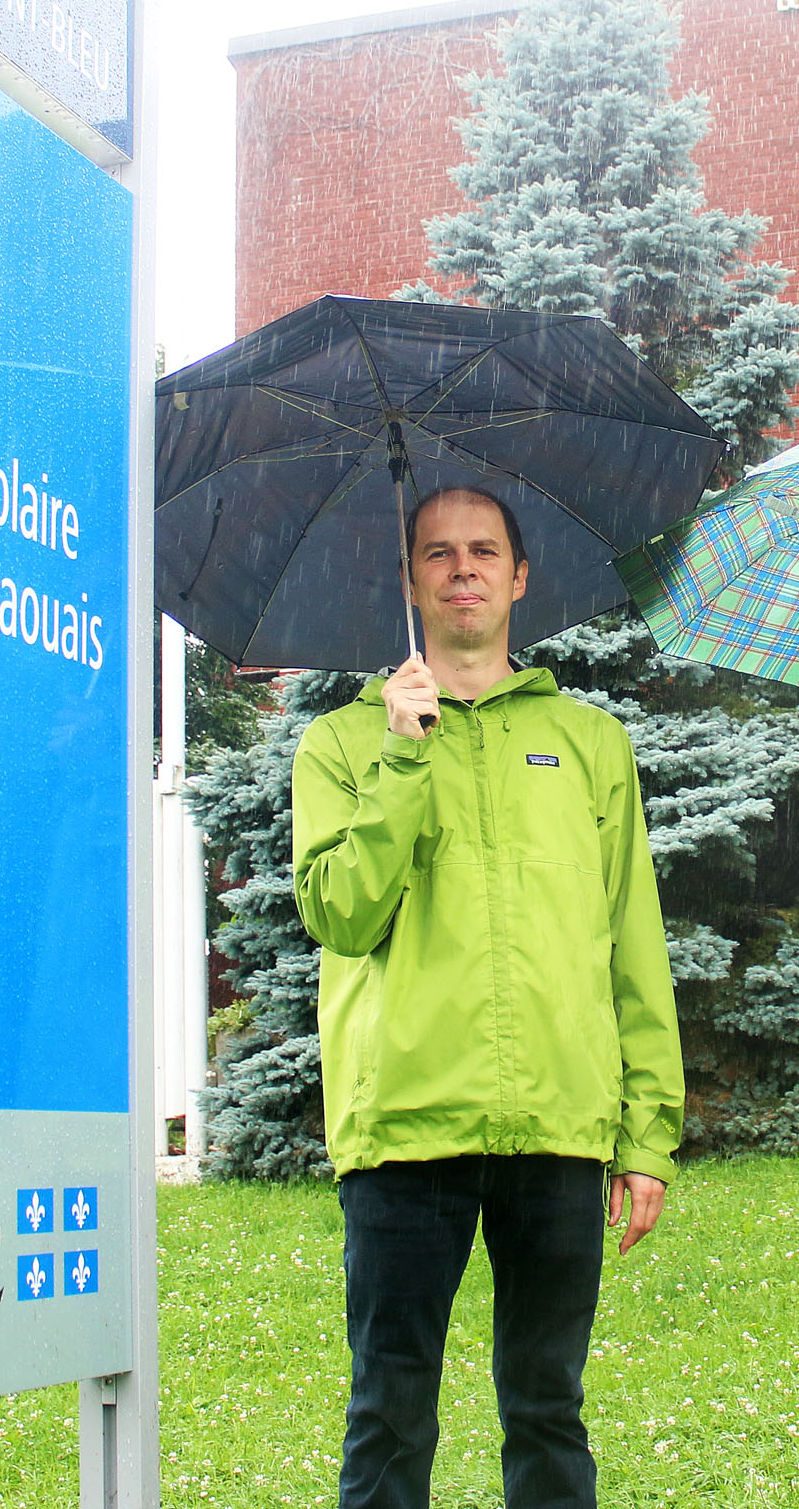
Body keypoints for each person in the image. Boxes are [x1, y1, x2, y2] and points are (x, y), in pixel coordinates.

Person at [291, 485, 687, 1509]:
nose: (461, 567)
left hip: (557, 1119)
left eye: (483, 550)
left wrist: (646, 1133)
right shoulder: (340, 744)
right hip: (404, 1122)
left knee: (549, 1409)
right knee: (388, 1414)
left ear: (519, 577)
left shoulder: (590, 742)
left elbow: (632, 940)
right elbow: (340, 915)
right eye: (437, 552)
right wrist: (402, 753)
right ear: (409, 580)